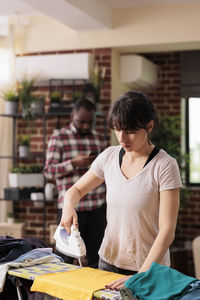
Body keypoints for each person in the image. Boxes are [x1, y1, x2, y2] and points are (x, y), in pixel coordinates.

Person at [60, 91, 182, 290]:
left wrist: (141, 275)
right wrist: (68, 207)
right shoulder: (109, 156)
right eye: (118, 129)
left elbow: (167, 231)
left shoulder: (165, 166)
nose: (122, 138)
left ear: (149, 125)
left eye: (131, 131)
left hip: (148, 270)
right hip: (108, 263)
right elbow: (76, 190)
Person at [44, 98, 107, 268]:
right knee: (65, 262)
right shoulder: (59, 137)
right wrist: (73, 163)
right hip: (70, 212)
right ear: (72, 116)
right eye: (82, 121)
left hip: (97, 210)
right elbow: (48, 171)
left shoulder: (99, 139)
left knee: (98, 261)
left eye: (90, 122)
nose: (86, 126)